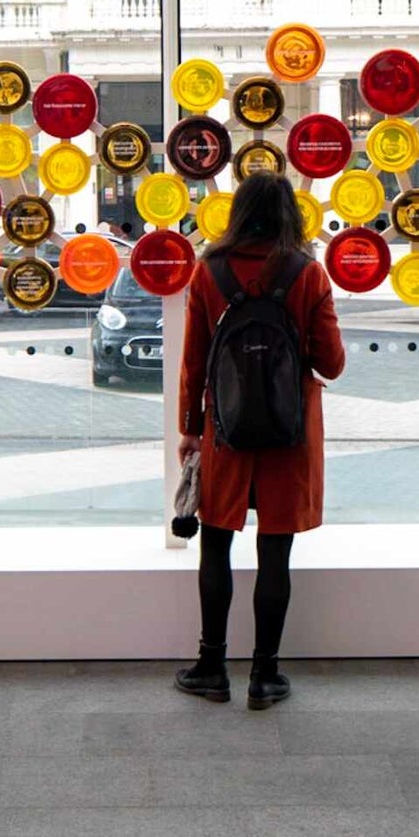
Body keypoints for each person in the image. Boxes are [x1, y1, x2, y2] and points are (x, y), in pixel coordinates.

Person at [174, 172, 346, 708]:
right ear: (290, 215)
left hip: (224, 429)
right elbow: (332, 364)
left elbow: (194, 363)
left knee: (216, 543)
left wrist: (190, 429)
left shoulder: (209, 272)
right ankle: (265, 677)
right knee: (275, 550)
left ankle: (211, 666)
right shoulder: (308, 274)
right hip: (289, 434)